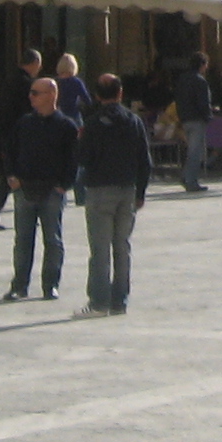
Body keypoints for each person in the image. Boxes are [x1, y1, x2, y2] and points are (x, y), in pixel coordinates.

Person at [76, 72, 150, 314]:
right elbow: (145, 160)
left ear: (97, 96)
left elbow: (83, 158)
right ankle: (120, 301)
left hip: (100, 189)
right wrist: (141, 192)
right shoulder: (134, 121)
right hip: (127, 189)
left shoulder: (93, 124)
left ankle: (99, 301)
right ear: (120, 93)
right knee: (122, 246)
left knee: (100, 248)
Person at [3, 76, 79, 301]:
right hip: (24, 188)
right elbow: (10, 150)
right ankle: (19, 285)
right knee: (23, 240)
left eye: (36, 93)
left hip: (52, 190)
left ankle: (50, 284)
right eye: (31, 92)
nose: (31, 97)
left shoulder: (66, 126)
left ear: (52, 95)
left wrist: (65, 184)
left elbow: (73, 158)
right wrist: (11, 176)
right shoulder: (24, 123)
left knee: (53, 240)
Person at [0, 46, 42, 227]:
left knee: (10, 177)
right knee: (18, 175)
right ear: (35, 63)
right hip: (18, 135)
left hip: (4, 132)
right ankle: (25, 213)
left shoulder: (9, 80)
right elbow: (28, 110)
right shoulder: (26, 84)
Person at [172, 52, 215, 192]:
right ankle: (191, 180)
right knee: (195, 152)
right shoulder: (200, 81)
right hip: (197, 119)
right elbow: (203, 102)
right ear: (202, 65)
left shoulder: (182, 80)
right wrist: (208, 116)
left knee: (191, 149)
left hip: (185, 118)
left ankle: (186, 176)